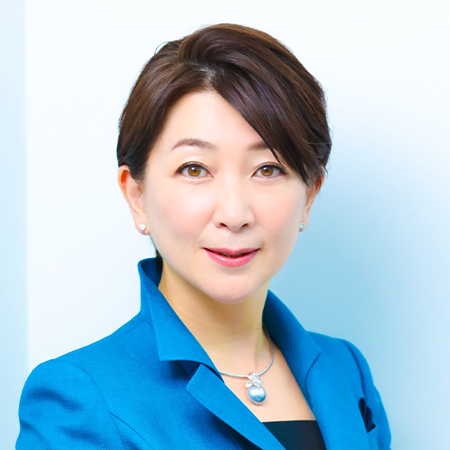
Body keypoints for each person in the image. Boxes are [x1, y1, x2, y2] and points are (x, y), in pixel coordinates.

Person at [16, 23, 391, 449]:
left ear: (309, 195)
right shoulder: (81, 397)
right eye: (194, 169)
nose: (234, 214)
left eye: (268, 169)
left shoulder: (346, 370)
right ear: (137, 196)